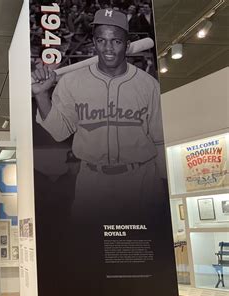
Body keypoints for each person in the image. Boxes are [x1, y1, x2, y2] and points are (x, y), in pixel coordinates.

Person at [32, 9, 165, 222]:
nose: (108, 48)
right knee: (90, 249)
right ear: (94, 42)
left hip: (142, 180)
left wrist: (165, 182)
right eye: (102, 41)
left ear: (127, 43)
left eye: (116, 41)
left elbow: (159, 140)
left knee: (144, 251)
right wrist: (41, 96)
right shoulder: (71, 82)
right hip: (92, 182)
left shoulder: (148, 85)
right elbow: (59, 132)